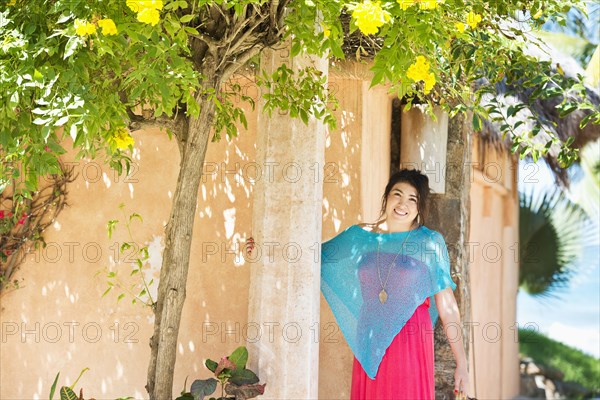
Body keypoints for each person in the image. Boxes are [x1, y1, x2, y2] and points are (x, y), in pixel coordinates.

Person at [320, 168, 473, 399]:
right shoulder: (362, 235)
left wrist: (462, 362)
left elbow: (447, 307)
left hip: (410, 338)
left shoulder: (430, 243)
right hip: (369, 334)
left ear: (420, 207)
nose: (403, 204)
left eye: (413, 199)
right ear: (386, 197)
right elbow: (313, 257)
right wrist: (262, 249)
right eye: (397, 194)